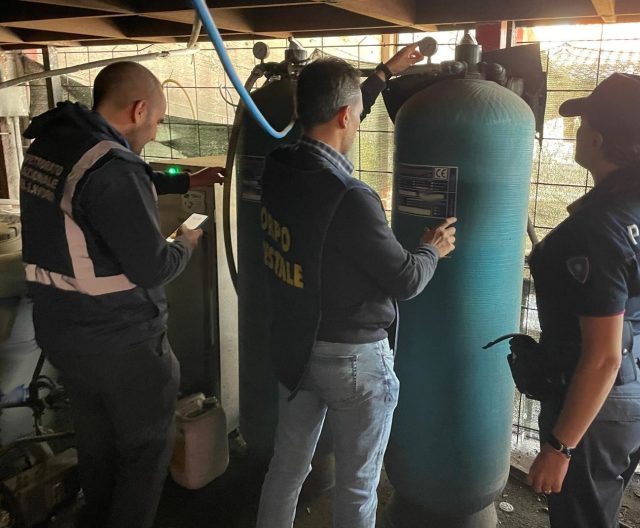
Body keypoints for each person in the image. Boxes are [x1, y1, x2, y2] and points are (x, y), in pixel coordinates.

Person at [255, 50, 457, 528]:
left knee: (286, 468)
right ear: (346, 116)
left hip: (295, 348)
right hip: (353, 362)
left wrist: (383, 75)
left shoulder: (278, 168)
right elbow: (406, 280)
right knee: (358, 485)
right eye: (358, 115)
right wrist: (432, 249)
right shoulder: (350, 197)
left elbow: (330, 117)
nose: (359, 122)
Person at [19, 61, 223, 528]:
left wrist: (184, 179)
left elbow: (104, 190)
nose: (154, 132)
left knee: (97, 444)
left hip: (63, 332)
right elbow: (153, 266)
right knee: (145, 452)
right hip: (122, 343)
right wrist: (186, 242)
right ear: (139, 110)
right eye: (157, 121)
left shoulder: (54, 143)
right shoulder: (113, 166)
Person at [526, 73, 640, 528]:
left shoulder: (596, 228)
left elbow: (602, 357)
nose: (577, 132)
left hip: (601, 398)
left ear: (596, 140)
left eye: (583, 124)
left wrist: (560, 447)